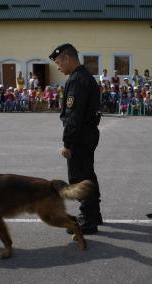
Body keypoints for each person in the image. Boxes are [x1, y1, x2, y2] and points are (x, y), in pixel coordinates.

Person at [49, 43, 102, 234]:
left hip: (80, 137)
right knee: (88, 175)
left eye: (58, 62)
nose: (58, 67)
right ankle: (94, 214)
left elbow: (74, 116)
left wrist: (67, 143)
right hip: (88, 134)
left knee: (79, 178)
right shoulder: (85, 77)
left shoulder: (77, 80)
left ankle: (88, 220)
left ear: (67, 58)